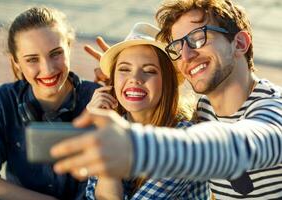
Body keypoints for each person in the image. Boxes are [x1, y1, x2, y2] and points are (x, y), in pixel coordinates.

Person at [51, 0, 282, 199]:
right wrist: (127, 78)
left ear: (240, 43)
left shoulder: (273, 109)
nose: (187, 56)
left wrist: (137, 146)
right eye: (177, 47)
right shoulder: (205, 110)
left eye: (198, 38)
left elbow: (241, 143)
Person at [0, 6, 99, 200]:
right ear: (16, 62)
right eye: (32, 59)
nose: (48, 69)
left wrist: (121, 76)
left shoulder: (96, 99)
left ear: (69, 47)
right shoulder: (3, 101)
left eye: (55, 54)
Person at [83, 22, 209, 199]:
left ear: (168, 83)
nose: (134, 79)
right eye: (124, 69)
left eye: (149, 71)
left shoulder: (184, 140)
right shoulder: (117, 124)